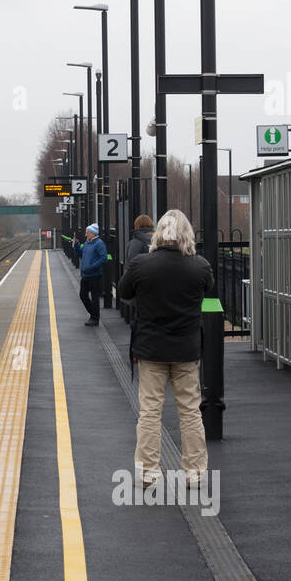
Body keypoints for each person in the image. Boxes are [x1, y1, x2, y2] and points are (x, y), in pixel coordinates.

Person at [117, 209, 213, 488]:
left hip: (151, 350)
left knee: (150, 411)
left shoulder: (141, 265)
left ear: (158, 233)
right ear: (186, 233)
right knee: (190, 411)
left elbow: (124, 293)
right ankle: (195, 473)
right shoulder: (200, 266)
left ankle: (148, 472)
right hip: (186, 350)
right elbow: (207, 289)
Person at [121, 214, 155, 325]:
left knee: (137, 319)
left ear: (137, 225)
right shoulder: (157, 239)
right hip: (154, 282)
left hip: (140, 284)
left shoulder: (136, 241)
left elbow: (132, 263)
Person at [78, 223, 107, 326]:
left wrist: (92, 267)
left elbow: (104, 258)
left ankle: (95, 318)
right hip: (85, 274)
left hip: (94, 275)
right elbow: (80, 253)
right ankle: (93, 314)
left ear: (93, 233)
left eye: (87, 233)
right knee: (82, 295)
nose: (86, 235)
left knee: (95, 297)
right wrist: (76, 246)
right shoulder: (86, 243)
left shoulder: (99, 243)